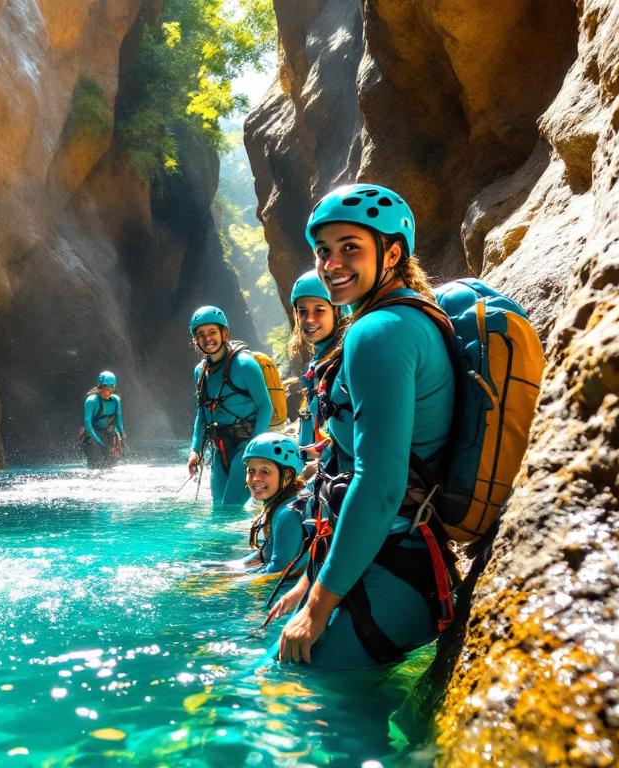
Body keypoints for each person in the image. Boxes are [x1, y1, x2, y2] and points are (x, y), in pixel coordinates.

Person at [266, 183, 457, 669]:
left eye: (350, 247)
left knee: (286, 691)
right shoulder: (404, 317)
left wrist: (317, 608)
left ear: (391, 253)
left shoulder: (377, 333)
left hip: (392, 566)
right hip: (386, 560)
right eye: (323, 250)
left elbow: (378, 486)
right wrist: (311, 581)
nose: (332, 263)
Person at [185, 306, 274, 507]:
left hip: (245, 445)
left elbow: (265, 407)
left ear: (224, 333)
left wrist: (254, 450)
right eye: (201, 334)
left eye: (212, 332)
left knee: (232, 506)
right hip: (219, 448)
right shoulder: (200, 371)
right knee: (218, 508)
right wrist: (195, 451)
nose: (207, 338)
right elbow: (202, 413)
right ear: (195, 339)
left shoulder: (245, 365)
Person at [287, 270, 345, 459]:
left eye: (319, 310)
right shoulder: (319, 363)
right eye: (302, 311)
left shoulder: (344, 361)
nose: (309, 319)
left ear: (337, 311)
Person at [240, 433, 308, 578]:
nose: (256, 478)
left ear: (287, 476)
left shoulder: (289, 513)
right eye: (251, 470)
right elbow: (266, 553)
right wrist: (228, 569)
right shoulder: (281, 505)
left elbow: (279, 570)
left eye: (265, 471)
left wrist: (224, 585)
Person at [80, 371, 124, 468]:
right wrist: (101, 445)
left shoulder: (116, 400)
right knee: (94, 462)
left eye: (111, 389)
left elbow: (118, 421)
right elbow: (88, 425)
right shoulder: (91, 401)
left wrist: (121, 437)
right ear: (100, 387)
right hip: (92, 433)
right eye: (106, 389)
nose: (109, 392)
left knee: (111, 463)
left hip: (108, 432)